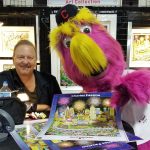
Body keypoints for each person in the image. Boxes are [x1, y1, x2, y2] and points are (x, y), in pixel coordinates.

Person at [0, 40, 62, 113]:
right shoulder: (2, 79)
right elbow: (5, 109)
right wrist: (42, 107)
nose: (25, 62)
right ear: (13, 59)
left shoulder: (50, 81)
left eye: (30, 58)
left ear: (35, 60)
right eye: (21, 57)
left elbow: (61, 108)